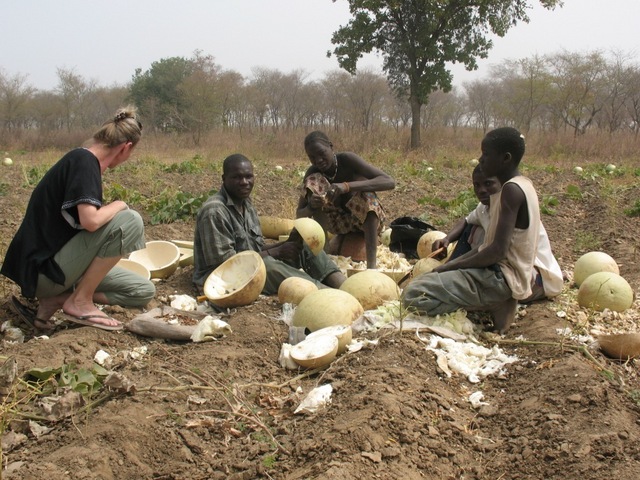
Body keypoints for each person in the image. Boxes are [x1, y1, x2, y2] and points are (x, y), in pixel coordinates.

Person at [2, 106, 155, 332]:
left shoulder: (81, 160)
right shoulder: (85, 162)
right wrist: (119, 204)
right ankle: (80, 300)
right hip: (44, 272)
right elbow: (90, 221)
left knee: (142, 290)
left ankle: (58, 300)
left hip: (58, 270)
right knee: (130, 220)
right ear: (126, 147)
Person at [402, 127, 540, 334]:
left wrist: (448, 268)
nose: (481, 159)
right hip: (505, 274)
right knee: (430, 279)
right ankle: (491, 301)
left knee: (414, 293)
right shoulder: (521, 185)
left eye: (486, 154)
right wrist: (452, 266)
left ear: (505, 158)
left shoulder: (511, 191)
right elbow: (490, 245)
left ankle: (492, 303)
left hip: (500, 278)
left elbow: (497, 251)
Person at [193, 154, 346, 296]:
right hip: (221, 280)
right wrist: (277, 252)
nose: (244, 182)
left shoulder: (246, 203)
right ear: (224, 178)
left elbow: (255, 249)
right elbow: (227, 264)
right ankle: (327, 294)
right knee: (268, 264)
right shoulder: (215, 211)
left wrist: (286, 245)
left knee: (304, 245)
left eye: (248, 176)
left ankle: (344, 286)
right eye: (237, 177)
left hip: (248, 267)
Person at [433, 164, 564, 302]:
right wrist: (447, 239)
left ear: (502, 184)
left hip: (532, 274)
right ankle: (455, 275)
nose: (482, 190)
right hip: (509, 268)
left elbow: (497, 251)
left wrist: (452, 266)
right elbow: (466, 220)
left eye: (488, 183)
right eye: (476, 185)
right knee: (472, 229)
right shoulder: (485, 207)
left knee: (485, 248)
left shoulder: (510, 207)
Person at [296, 131, 395, 269]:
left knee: (367, 196)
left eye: (321, 153)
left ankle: (372, 268)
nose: (318, 160)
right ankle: (324, 261)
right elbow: (299, 214)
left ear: (331, 147)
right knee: (314, 183)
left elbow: (389, 181)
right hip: (338, 225)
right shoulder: (313, 173)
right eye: (312, 157)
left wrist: (347, 186)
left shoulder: (347, 160)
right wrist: (311, 206)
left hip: (367, 222)